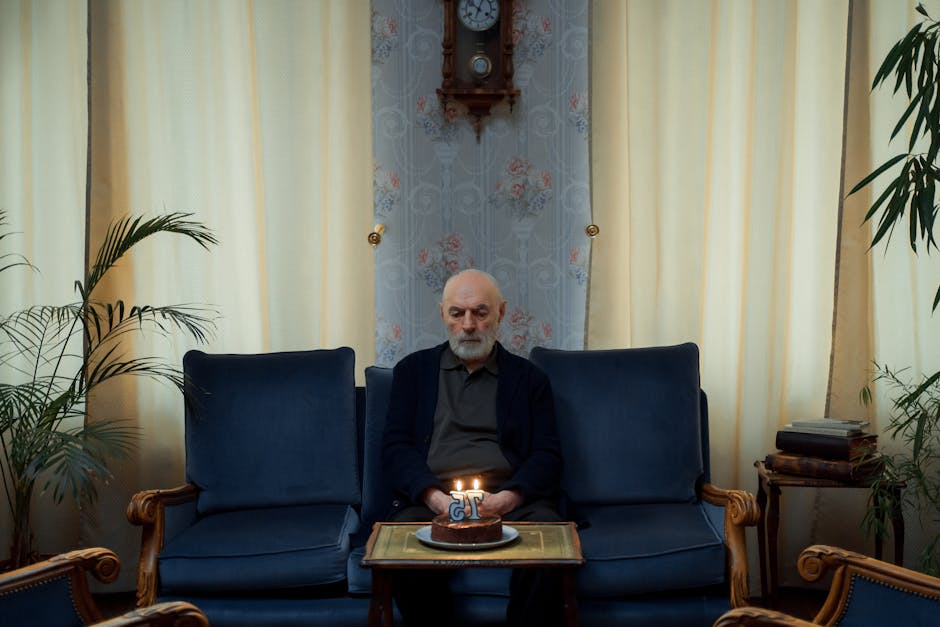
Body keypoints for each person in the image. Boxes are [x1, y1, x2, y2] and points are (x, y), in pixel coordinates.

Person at [381, 268, 564, 627]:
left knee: (550, 545)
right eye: (457, 313)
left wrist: (507, 498)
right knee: (401, 549)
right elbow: (395, 449)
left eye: (480, 312)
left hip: (510, 503)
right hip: (432, 502)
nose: (468, 324)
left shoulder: (530, 380)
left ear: (501, 313)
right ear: (443, 314)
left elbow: (548, 455)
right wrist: (436, 499)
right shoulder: (412, 372)